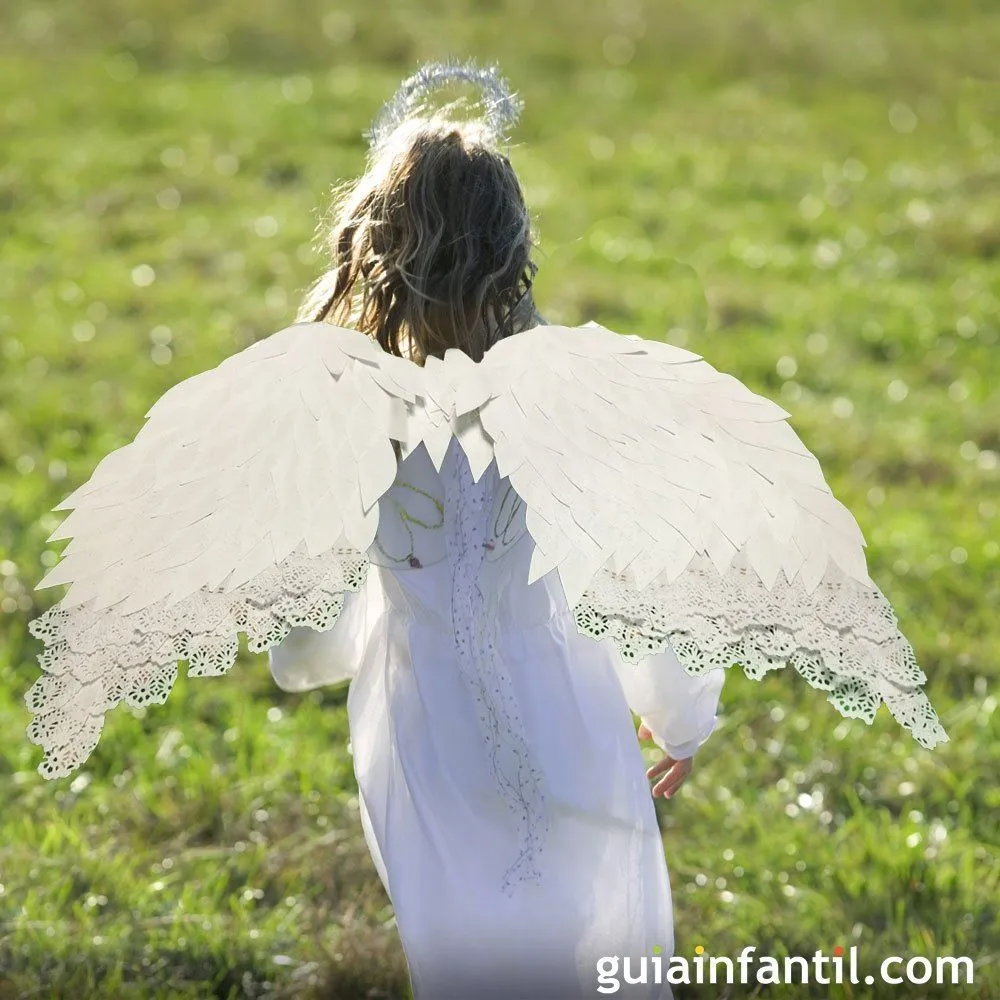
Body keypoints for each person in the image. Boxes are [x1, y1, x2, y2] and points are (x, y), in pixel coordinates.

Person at [268, 62, 725, 999]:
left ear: (371, 252)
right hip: (563, 710)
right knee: (588, 937)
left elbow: (301, 643)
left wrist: (366, 633)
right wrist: (679, 715)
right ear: (514, 254)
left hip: (424, 728)